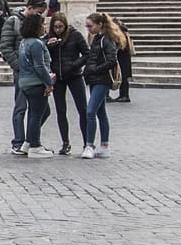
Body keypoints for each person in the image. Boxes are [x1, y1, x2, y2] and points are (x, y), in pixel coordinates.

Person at [46, 13, 89, 156]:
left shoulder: (75, 35)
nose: (58, 30)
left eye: (61, 27)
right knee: (60, 111)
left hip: (75, 75)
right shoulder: (49, 37)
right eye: (55, 27)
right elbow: (44, 56)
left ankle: (87, 142)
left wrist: (73, 65)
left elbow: (87, 54)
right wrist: (49, 46)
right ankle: (65, 142)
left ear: (65, 25)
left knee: (82, 109)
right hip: (58, 77)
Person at [12, 13, 54, 155]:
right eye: (42, 24)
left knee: (40, 111)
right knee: (36, 113)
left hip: (25, 81)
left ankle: (28, 142)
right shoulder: (36, 43)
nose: (44, 27)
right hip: (35, 81)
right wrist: (48, 83)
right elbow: (40, 66)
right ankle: (35, 145)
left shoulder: (24, 42)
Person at [81, 12, 120, 158]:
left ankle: (89, 144)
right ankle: (104, 145)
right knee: (101, 112)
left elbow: (112, 61)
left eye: (90, 26)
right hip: (95, 79)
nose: (88, 29)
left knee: (90, 111)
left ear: (99, 25)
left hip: (101, 80)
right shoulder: (98, 39)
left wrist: (94, 70)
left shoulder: (106, 40)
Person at [111, 16, 135, 103]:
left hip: (122, 57)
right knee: (124, 76)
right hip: (125, 56)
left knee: (123, 76)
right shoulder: (124, 31)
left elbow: (120, 46)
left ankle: (124, 95)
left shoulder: (120, 33)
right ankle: (124, 95)